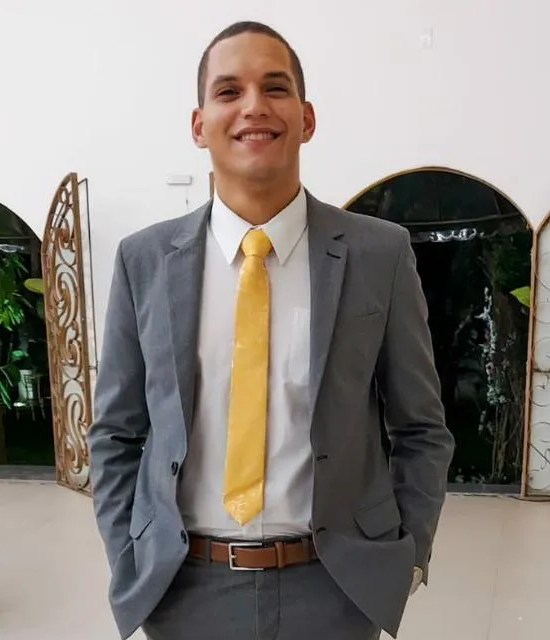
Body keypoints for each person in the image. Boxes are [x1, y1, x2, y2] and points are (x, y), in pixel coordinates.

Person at [87, 20, 455, 640]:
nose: (254, 106)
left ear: (306, 119)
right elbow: (116, 432)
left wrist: (408, 556)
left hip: (335, 589)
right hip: (184, 591)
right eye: (229, 91)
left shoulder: (379, 255)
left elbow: (421, 428)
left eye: (275, 88)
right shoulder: (143, 261)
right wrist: (129, 558)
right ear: (199, 125)